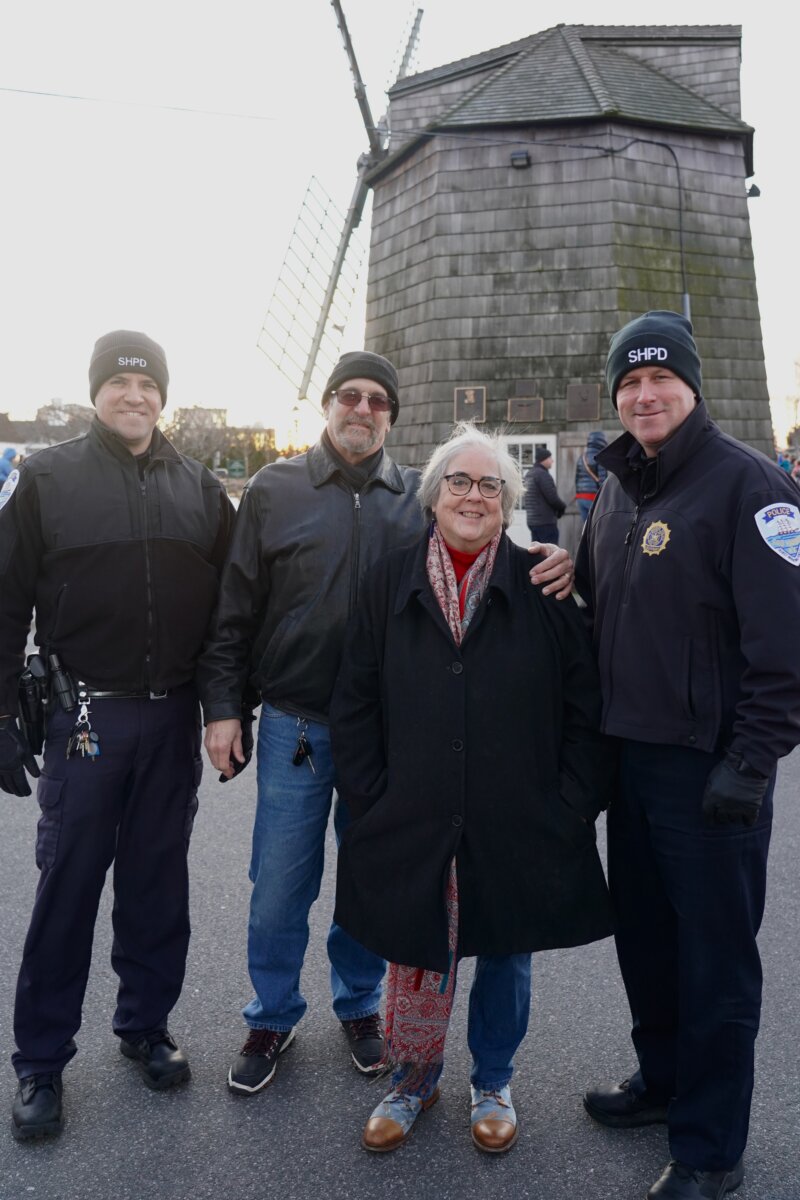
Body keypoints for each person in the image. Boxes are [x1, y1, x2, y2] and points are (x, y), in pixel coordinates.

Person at [198, 352, 575, 1097]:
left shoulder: (417, 495)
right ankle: (272, 1014)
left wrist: (558, 560)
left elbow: (483, 548)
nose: (362, 409)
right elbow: (235, 607)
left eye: (378, 400)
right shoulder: (274, 489)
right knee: (279, 884)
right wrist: (223, 707)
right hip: (300, 723)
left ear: (392, 417)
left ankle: (359, 1005)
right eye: (350, 395)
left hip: (396, 730)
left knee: (375, 879)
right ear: (327, 404)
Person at [329, 423, 614, 1154]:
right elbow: (355, 697)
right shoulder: (388, 579)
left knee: (507, 948)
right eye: (459, 481)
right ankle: (413, 1077)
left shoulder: (543, 584)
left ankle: (493, 1081)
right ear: (434, 496)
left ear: (508, 503)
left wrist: (572, 802)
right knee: (414, 942)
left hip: (516, 809)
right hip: (414, 805)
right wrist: (369, 797)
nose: (474, 496)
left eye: (491, 485)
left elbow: (584, 706)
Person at [575, 311, 800, 1200]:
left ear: (692, 386)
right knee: (648, 942)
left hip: (711, 771)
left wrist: (752, 762)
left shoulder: (750, 485)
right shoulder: (619, 488)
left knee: (714, 964)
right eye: (629, 382)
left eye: (660, 378)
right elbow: (602, 606)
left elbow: (787, 646)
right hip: (630, 762)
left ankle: (710, 1147)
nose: (644, 395)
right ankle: (664, 1083)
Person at [0, 331, 234, 1141]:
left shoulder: (200, 488)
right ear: (96, 392)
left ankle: (145, 1025)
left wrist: (226, 705)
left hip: (171, 716)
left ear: (163, 395)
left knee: (156, 883)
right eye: (119, 383)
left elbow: (232, 611)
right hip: (85, 719)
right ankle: (40, 1060)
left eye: (147, 384)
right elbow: (5, 600)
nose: (134, 395)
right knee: (67, 888)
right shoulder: (47, 479)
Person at [524, 445, 567, 543]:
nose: (552, 461)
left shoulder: (529, 474)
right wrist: (562, 507)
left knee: (537, 551)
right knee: (550, 551)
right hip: (545, 522)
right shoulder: (542, 475)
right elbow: (552, 498)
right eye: (550, 458)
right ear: (544, 459)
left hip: (532, 522)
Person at [574, 430, 608, 523]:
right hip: (593, 498)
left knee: (586, 526)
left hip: (580, 498)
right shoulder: (600, 457)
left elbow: (576, 479)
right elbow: (603, 481)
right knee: (598, 525)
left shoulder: (582, 457)